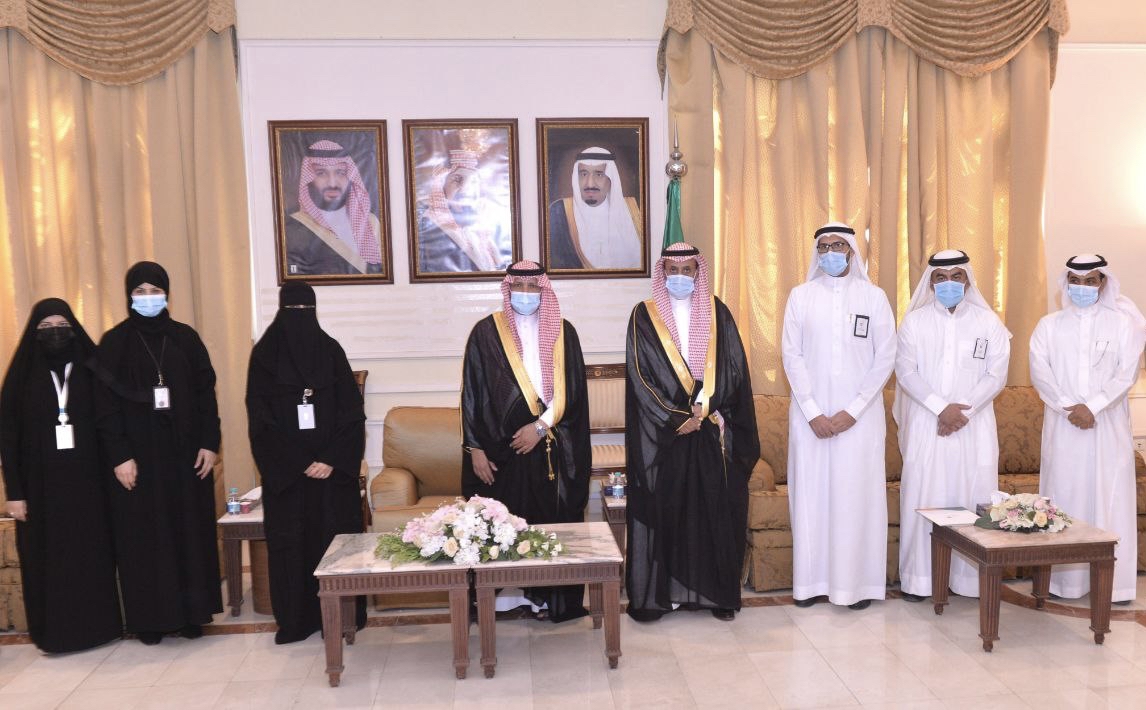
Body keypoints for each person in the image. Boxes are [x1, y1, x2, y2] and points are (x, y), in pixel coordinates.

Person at [625, 242, 759, 622]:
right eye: (674, 269)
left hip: (710, 428)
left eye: (688, 269)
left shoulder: (718, 312)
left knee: (713, 510)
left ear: (698, 272)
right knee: (668, 510)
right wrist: (675, 417)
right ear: (663, 272)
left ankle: (716, 595)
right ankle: (663, 596)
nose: (680, 276)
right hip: (666, 434)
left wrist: (704, 407)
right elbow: (640, 374)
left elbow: (734, 367)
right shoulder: (644, 315)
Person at [92, 262, 222, 644]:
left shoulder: (185, 338)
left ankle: (192, 615)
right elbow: (103, 407)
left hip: (186, 457)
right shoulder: (114, 343)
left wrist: (210, 443)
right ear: (129, 295)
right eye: (140, 291)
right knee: (144, 539)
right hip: (137, 460)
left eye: (155, 291)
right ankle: (150, 621)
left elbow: (206, 395)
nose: (148, 298)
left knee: (188, 534)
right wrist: (119, 456)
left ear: (166, 294)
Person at [460, 260, 590, 621]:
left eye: (534, 287)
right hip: (500, 454)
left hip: (548, 447)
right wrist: (475, 448)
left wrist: (540, 427)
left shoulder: (564, 332)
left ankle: (547, 600)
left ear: (544, 290)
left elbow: (573, 391)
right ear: (508, 288)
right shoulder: (486, 332)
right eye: (519, 287)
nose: (526, 294)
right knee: (501, 526)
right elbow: (471, 394)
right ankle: (499, 600)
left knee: (547, 524)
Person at [781, 223, 897, 610]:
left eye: (838, 246)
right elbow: (791, 356)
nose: (830, 253)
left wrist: (854, 410)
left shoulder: (874, 297)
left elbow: (885, 357)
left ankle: (856, 587)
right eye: (824, 247)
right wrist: (813, 411)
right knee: (811, 497)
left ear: (851, 251)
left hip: (860, 420)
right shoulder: (800, 296)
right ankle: (810, 584)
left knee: (855, 498)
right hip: (809, 419)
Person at [247, 281, 367, 643]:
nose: (299, 318)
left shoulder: (331, 351)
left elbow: (352, 414)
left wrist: (330, 459)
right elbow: (260, 421)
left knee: (336, 543)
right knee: (292, 546)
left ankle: (345, 617)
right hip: (290, 480)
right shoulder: (264, 357)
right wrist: (299, 462)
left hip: (332, 478)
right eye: (293, 311)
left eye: (306, 311)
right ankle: (296, 621)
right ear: (281, 311)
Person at [0, 299, 123, 652]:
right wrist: (14, 492)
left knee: (92, 556)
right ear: (34, 332)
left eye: (60, 325)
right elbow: (8, 437)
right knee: (49, 562)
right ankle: (56, 635)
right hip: (40, 489)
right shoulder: (21, 377)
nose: (54, 332)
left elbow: (111, 419)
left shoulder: (91, 367)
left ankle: (100, 628)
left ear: (72, 328)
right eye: (45, 327)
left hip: (90, 485)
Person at [895, 250, 1011, 601]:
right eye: (941, 277)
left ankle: (969, 580)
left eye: (956, 276)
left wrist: (962, 413)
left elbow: (996, 375)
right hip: (927, 424)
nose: (949, 283)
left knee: (971, 496)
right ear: (931, 282)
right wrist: (940, 408)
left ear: (967, 280)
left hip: (973, 427)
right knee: (924, 495)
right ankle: (920, 580)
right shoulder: (914, 323)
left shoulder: (988, 322)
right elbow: (906, 372)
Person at [1031, 254, 1146, 604]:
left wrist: (1092, 407)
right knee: (1064, 496)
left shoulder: (1122, 325)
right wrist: (1070, 407)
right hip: (1063, 425)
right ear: (1066, 284)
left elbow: (1126, 374)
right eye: (1075, 281)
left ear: (1103, 283)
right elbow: (1040, 372)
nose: (1082, 287)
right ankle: (1064, 583)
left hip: (1107, 426)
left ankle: (1115, 585)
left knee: (1111, 500)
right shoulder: (1048, 325)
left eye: (1090, 281)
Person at [285, 139, 385, 276]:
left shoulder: (371, 222)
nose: (332, 183)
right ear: (309, 179)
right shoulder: (295, 226)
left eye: (340, 172)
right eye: (321, 173)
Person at [417, 148, 513, 274]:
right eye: (457, 179)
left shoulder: (482, 228)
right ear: (441, 185)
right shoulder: (428, 226)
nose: (464, 189)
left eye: (472, 182)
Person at [548, 146, 643, 270]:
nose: (590, 184)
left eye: (599, 174)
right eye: (583, 174)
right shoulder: (558, 213)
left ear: (611, 179)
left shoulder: (635, 211)